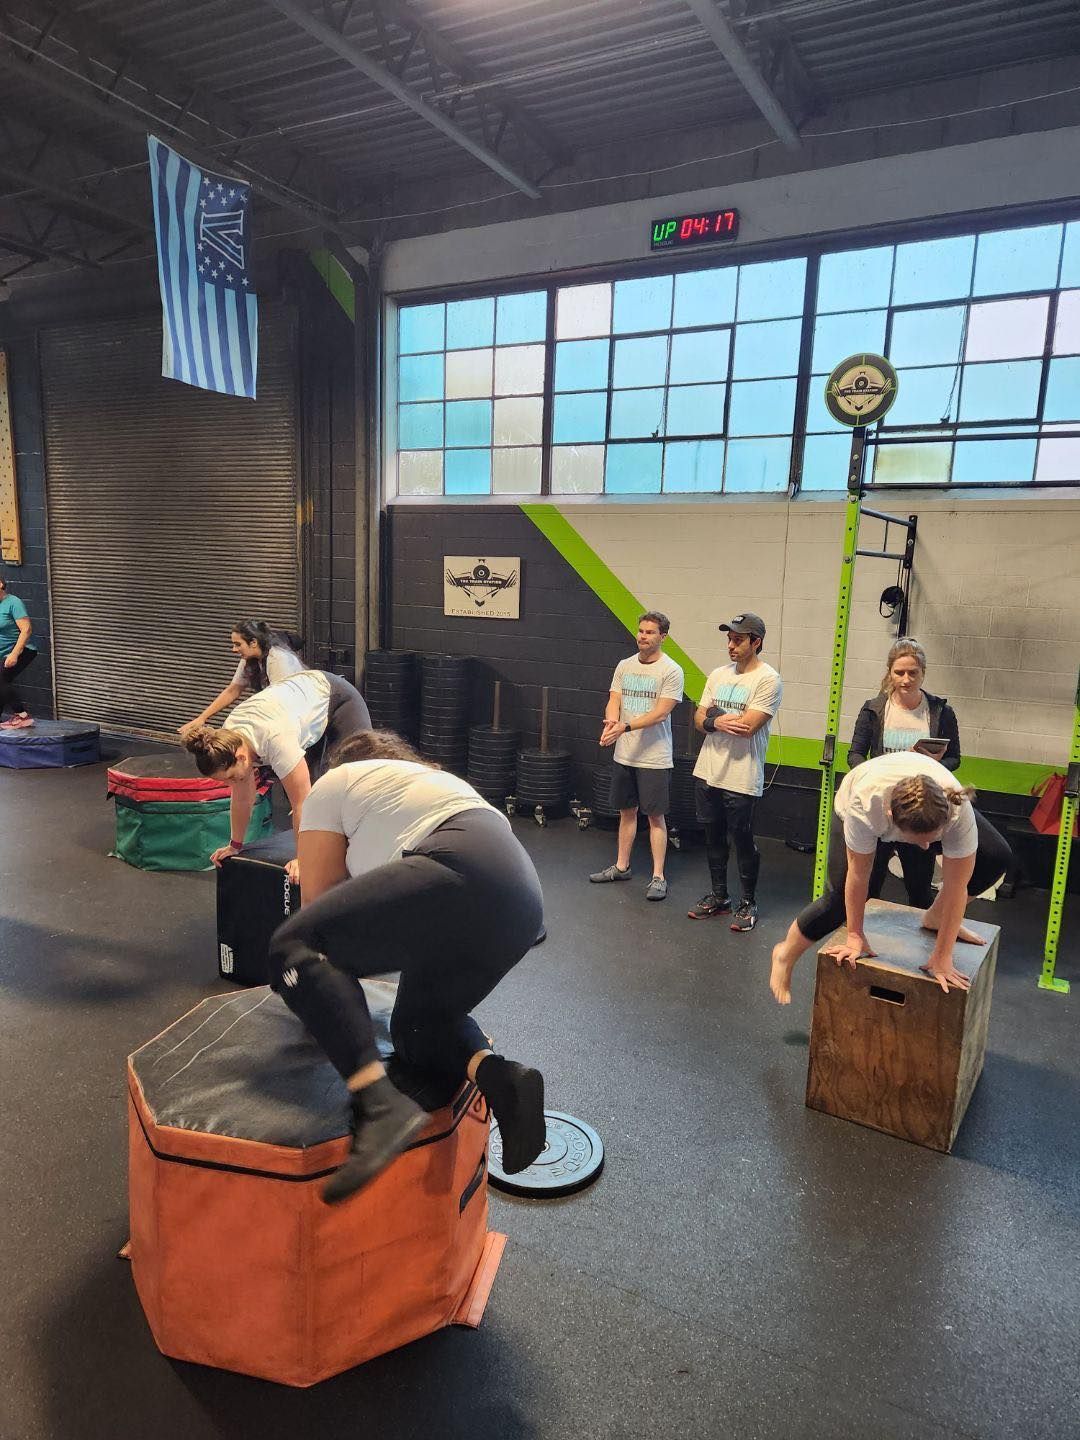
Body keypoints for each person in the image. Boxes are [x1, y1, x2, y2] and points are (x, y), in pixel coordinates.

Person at [267, 729, 546, 1204]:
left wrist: (315, 990)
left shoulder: (335, 784)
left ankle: (378, 1106)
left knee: (296, 944)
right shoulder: (428, 785)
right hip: (518, 903)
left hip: (461, 869)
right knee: (417, 1030)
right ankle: (501, 1078)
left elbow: (319, 906)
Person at [769, 751, 1012, 1006]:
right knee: (843, 898)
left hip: (922, 810)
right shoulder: (866, 805)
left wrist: (943, 956)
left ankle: (936, 917)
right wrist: (855, 935)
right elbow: (858, 875)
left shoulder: (956, 808)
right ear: (891, 818)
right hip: (862, 800)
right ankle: (785, 954)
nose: (928, 847)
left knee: (996, 856)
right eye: (920, 840)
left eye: (933, 837)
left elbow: (956, 886)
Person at [183, 669, 371, 879]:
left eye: (231, 777)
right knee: (323, 791)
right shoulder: (227, 738)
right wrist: (235, 845)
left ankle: (365, 854)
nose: (230, 783)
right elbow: (243, 798)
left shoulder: (276, 740)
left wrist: (302, 859)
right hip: (301, 713)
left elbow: (302, 802)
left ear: (241, 757)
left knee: (350, 782)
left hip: (337, 700)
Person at [847, 637, 961, 910]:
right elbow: (855, 755)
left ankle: (925, 940)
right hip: (880, 807)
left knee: (919, 888)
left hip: (919, 808)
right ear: (890, 673)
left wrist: (932, 768)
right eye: (899, 672)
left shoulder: (940, 712)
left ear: (923, 673)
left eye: (913, 672)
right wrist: (872, 779)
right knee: (868, 883)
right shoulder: (874, 709)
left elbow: (956, 758)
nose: (906, 679)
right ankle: (858, 936)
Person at [688, 612, 782, 934]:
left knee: (741, 839)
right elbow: (699, 719)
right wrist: (715, 719)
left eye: (738, 639)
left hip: (741, 775)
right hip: (708, 770)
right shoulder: (717, 674)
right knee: (712, 836)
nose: (731, 644)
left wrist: (716, 715)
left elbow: (748, 727)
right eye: (729, 638)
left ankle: (748, 902)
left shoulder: (768, 679)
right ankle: (719, 896)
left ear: (756, 642)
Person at [589, 611, 684, 901]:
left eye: (650, 632)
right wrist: (611, 723)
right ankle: (621, 866)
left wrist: (625, 726)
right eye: (640, 631)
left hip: (654, 757)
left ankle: (658, 876)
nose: (643, 636)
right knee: (626, 812)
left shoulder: (671, 670)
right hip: (625, 754)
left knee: (655, 817)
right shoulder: (624, 665)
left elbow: (661, 712)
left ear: (663, 637)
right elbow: (614, 699)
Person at [179, 619, 306, 738]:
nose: (234, 649)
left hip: (300, 717)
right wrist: (202, 718)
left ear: (253, 643)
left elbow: (282, 702)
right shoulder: (250, 659)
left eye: (238, 644)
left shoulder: (278, 659)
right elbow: (233, 690)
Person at [0, 574, 37, 730]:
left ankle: (22, 716)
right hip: (2, 653)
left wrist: (15, 654)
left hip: (22, 650)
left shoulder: (13, 602)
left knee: (0, 680)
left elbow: (26, 629)